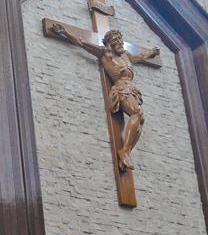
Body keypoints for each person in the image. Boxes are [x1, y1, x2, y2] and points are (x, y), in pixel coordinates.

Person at [51, 24, 159, 172]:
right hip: (121, 89)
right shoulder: (105, 54)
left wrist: (152, 52)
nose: (120, 43)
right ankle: (125, 151)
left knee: (141, 120)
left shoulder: (126, 56)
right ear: (110, 44)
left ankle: (125, 153)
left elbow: (141, 56)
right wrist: (65, 33)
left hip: (132, 90)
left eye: (121, 41)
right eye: (116, 41)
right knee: (137, 113)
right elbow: (82, 43)